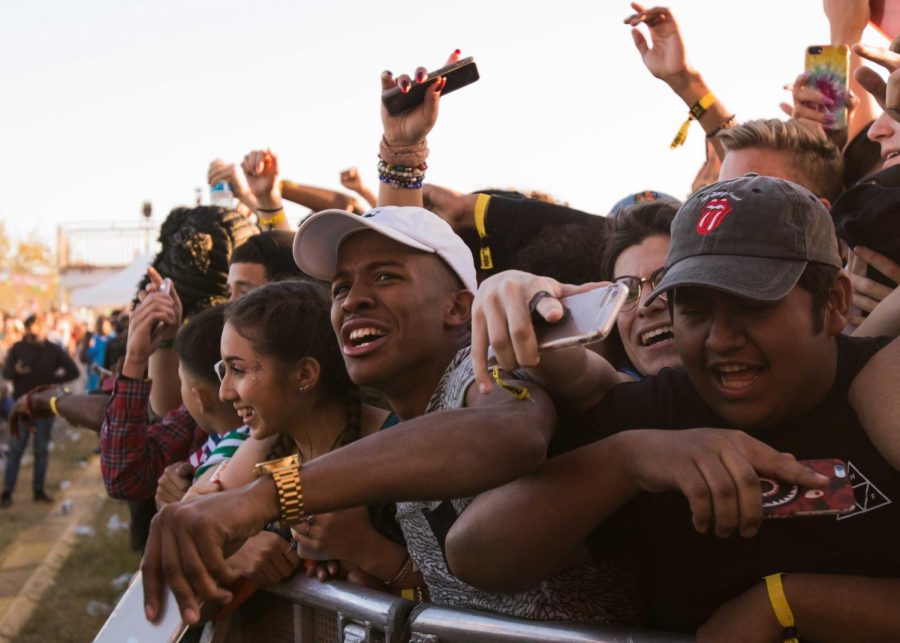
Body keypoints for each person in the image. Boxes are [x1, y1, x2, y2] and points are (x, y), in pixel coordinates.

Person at [140, 56, 660, 626]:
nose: (352, 300)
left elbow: (505, 433)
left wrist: (265, 497)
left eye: (383, 279)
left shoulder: (482, 365)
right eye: (340, 287)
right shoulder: (403, 417)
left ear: (460, 308)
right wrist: (400, 156)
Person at [450, 174, 900, 639]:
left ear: (834, 303)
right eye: (693, 307)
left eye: (752, 303)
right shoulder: (656, 415)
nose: (720, 339)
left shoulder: (883, 387)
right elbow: (475, 557)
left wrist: (785, 603)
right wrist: (628, 460)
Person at [1, 312, 79, 506]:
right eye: (33, 327)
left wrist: (53, 379)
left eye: (39, 326)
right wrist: (16, 372)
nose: (37, 331)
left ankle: (38, 490)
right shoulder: (18, 348)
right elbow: (6, 372)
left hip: (43, 407)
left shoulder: (52, 350)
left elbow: (73, 370)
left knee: (41, 450)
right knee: (16, 449)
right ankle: (7, 492)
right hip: (22, 405)